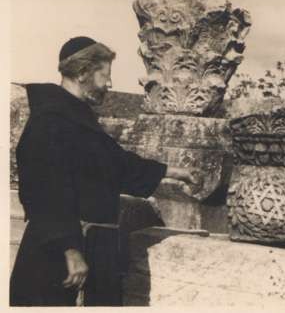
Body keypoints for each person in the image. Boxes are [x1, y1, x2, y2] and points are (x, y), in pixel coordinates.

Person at [10, 36, 197, 306]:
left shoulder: (77, 117)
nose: (109, 84)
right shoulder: (50, 120)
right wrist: (70, 249)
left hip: (90, 247)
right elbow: (44, 191)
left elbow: (115, 164)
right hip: (57, 253)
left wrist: (175, 172)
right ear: (83, 72)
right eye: (104, 75)